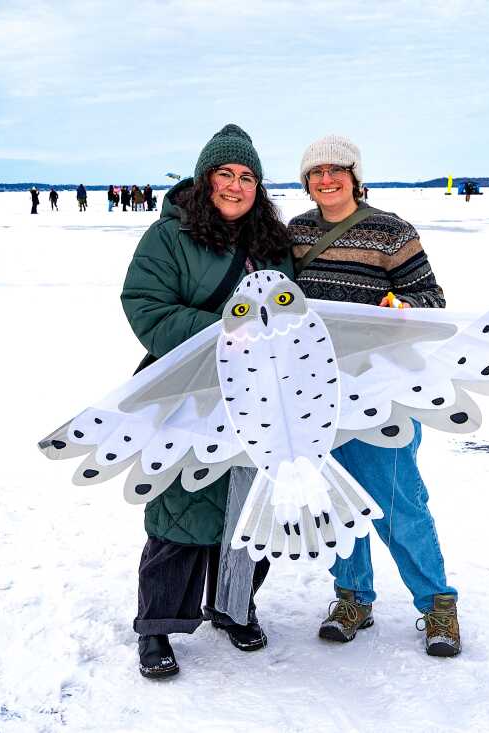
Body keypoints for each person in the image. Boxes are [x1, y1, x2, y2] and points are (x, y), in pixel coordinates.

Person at [121, 124, 293, 679]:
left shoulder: (271, 240)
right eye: (226, 173)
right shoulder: (169, 236)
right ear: (205, 179)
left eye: (247, 177)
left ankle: (234, 607)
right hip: (188, 390)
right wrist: (226, 330)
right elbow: (145, 305)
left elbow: (289, 310)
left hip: (258, 393)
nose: (236, 186)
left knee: (248, 507)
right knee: (180, 506)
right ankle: (157, 628)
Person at [287, 134, 459, 658]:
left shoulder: (391, 231)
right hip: (315, 389)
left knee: (398, 499)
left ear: (355, 176)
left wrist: (399, 303)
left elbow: (432, 299)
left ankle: (437, 607)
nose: (327, 179)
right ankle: (352, 599)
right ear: (306, 182)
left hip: (382, 388)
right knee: (339, 501)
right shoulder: (295, 233)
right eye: (316, 172)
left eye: (337, 170)